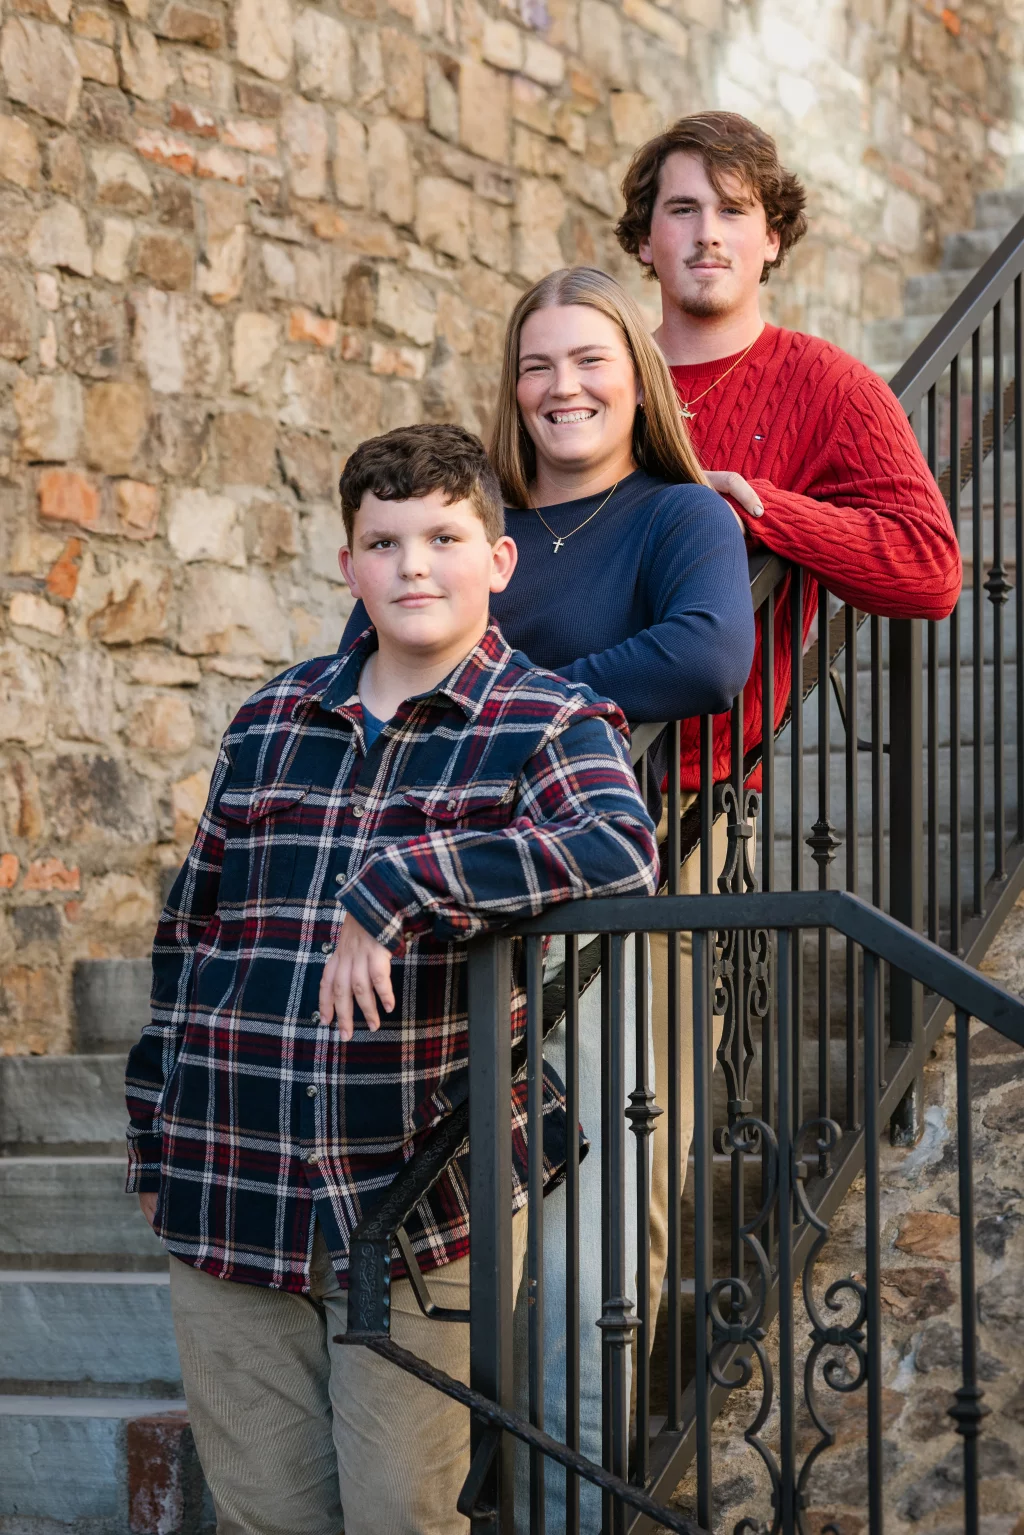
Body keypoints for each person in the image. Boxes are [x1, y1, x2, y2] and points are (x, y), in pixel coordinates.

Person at [125, 422, 662, 1535]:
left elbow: (619, 846)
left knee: (396, 1515)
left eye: (443, 536)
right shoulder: (271, 719)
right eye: (383, 541)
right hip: (232, 1177)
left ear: (498, 561)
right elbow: (188, 939)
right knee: (266, 1515)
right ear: (348, 564)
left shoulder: (548, 719)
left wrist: (402, 879)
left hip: (415, 1201)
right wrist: (152, 1130)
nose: (412, 565)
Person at [342, 267, 756, 1531]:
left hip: (605, 884)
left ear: (638, 373)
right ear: (509, 385)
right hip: (440, 889)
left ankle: (573, 1506)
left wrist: (515, 691)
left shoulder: (678, 515)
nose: (562, 386)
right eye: (536, 363)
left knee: (588, 1218)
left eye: (590, 359)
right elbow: (375, 659)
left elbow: (706, 654)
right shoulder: (471, 518)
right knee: (449, 1213)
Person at [614, 111, 963, 1337]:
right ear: (644, 237)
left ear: (772, 237)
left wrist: (770, 511)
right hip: (543, 785)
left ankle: (590, 1452)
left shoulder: (824, 385)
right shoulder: (599, 369)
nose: (705, 233)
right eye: (680, 209)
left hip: (691, 802)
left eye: (732, 210)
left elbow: (928, 567)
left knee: (633, 1130)